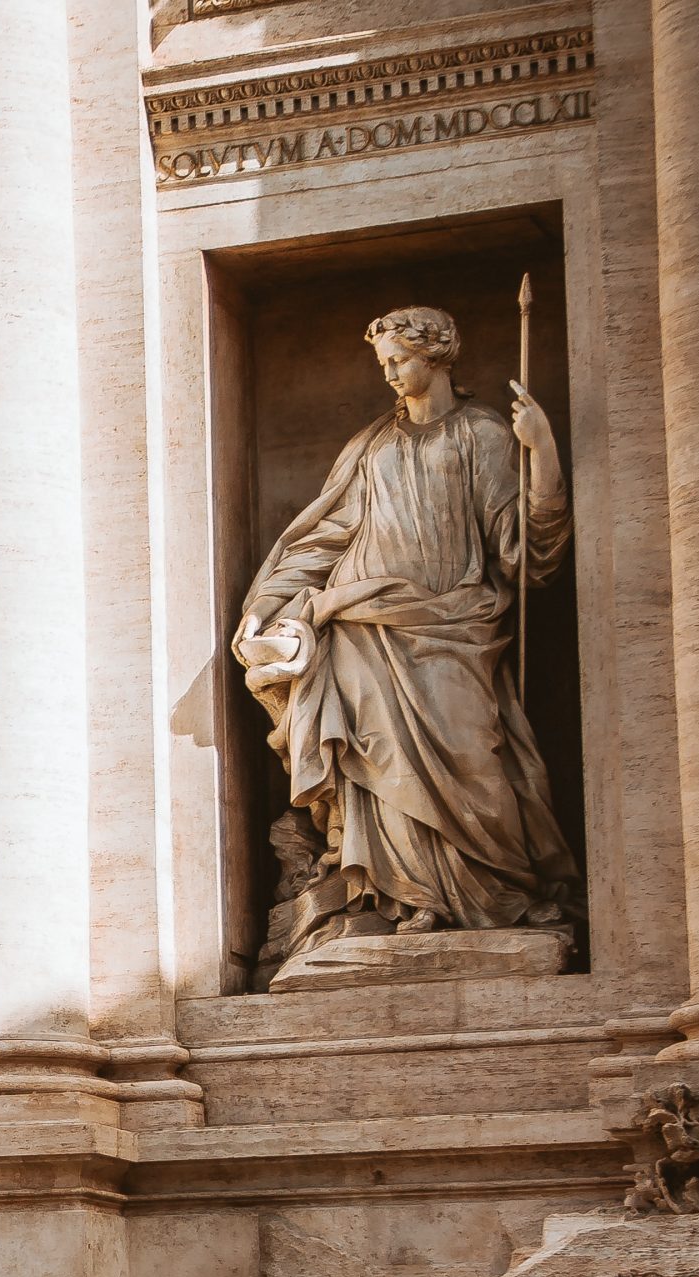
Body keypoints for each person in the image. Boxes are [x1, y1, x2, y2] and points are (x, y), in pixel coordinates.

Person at [233, 304, 578, 949]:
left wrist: (544, 451)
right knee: (379, 763)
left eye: (401, 361)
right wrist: (268, 602)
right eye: (384, 363)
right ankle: (400, 899)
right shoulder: (372, 447)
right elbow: (323, 540)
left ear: (439, 357)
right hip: (363, 628)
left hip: (455, 625)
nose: (390, 373)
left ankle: (497, 896)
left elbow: (526, 550)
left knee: (476, 758)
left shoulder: (484, 435)